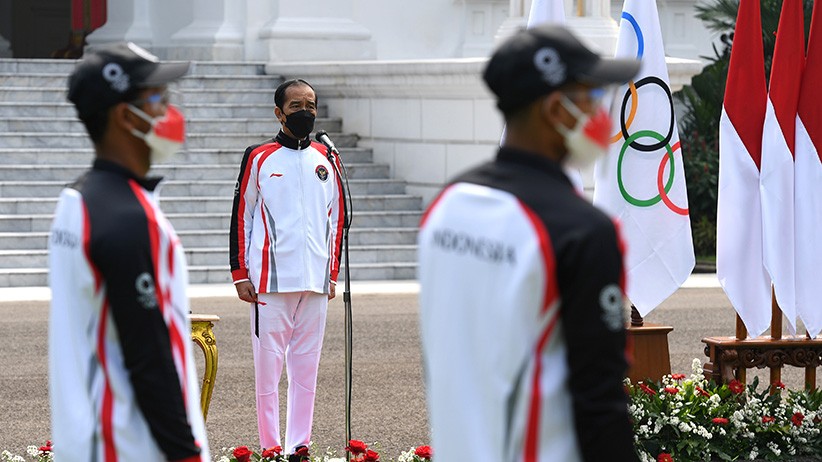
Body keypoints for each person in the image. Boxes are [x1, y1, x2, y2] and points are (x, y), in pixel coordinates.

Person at [418, 24, 641, 462]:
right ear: (558, 110)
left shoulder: (447, 206)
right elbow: (600, 400)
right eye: (592, 97)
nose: (603, 113)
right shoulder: (581, 230)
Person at [48, 42, 209, 461]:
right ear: (125, 117)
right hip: (133, 444)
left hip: (87, 440)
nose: (169, 112)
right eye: (158, 98)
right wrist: (187, 454)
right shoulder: (129, 218)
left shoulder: (79, 200)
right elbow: (149, 354)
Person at [229, 78, 344, 460]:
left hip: (314, 281)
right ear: (279, 113)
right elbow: (241, 217)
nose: (305, 113)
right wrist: (240, 273)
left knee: (306, 370)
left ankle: (299, 445)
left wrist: (331, 274)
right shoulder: (259, 156)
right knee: (268, 369)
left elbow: (336, 219)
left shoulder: (326, 160)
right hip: (269, 282)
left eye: (310, 105)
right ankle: (270, 446)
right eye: (296, 106)